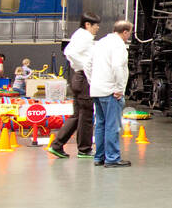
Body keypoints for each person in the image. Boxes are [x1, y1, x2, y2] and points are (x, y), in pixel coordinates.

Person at [49, 13, 100, 159]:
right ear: (87, 25)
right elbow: (70, 52)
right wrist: (86, 68)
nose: (98, 28)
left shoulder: (79, 35)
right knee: (86, 115)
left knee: (77, 115)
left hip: (78, 77)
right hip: (83, 78)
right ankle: (84, 149)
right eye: (96, 25)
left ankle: (57, 145)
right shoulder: (85, 37)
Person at [89, 20, 133, 168]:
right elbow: (117, 66)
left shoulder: (100, 42)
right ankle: (112, 158)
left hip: (97, 89)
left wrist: (93, 81)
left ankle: (99, 157)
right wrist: (120, 88)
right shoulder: (119, 45)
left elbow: (87, 64)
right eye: (129, 33)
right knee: (112, 126)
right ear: (125, 32)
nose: (129, 36)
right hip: (110, 91)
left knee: (100, 124)